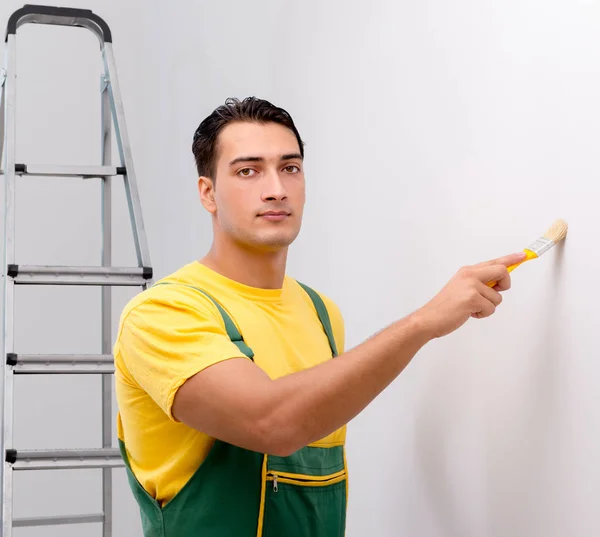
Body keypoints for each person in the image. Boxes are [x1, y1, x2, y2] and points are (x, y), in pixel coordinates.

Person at [113, 96, 526, 537]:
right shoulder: (163, 315)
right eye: (247, 171)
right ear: (208, 193)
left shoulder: (321, 313)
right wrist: (424, 322)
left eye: (290, 168)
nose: (276, 189)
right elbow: (273, 424)